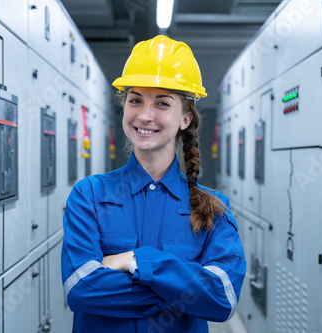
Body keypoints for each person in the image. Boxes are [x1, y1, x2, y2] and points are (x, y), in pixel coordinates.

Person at [61, 35, 246, 333]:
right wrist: (181, 291)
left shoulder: (213, 208)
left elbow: (221, 298)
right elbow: (80, 289)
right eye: (135, 100)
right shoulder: (89, 196)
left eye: (162, 103)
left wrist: (136, 260)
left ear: (185, 119)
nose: (145, 115)